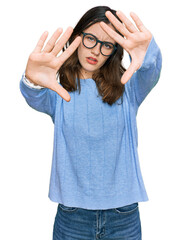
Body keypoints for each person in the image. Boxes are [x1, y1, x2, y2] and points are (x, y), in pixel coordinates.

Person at [19, 5, 162, 240]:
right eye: (90, 39)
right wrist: (31, 79)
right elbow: (33, 95)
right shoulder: (59, 91)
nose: (96, 49)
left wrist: (148, 51)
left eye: (106, 44)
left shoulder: (129, 88)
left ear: (114, 50)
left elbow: (150, 69)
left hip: (123, 214)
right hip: (72, 215)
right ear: (77, 38)